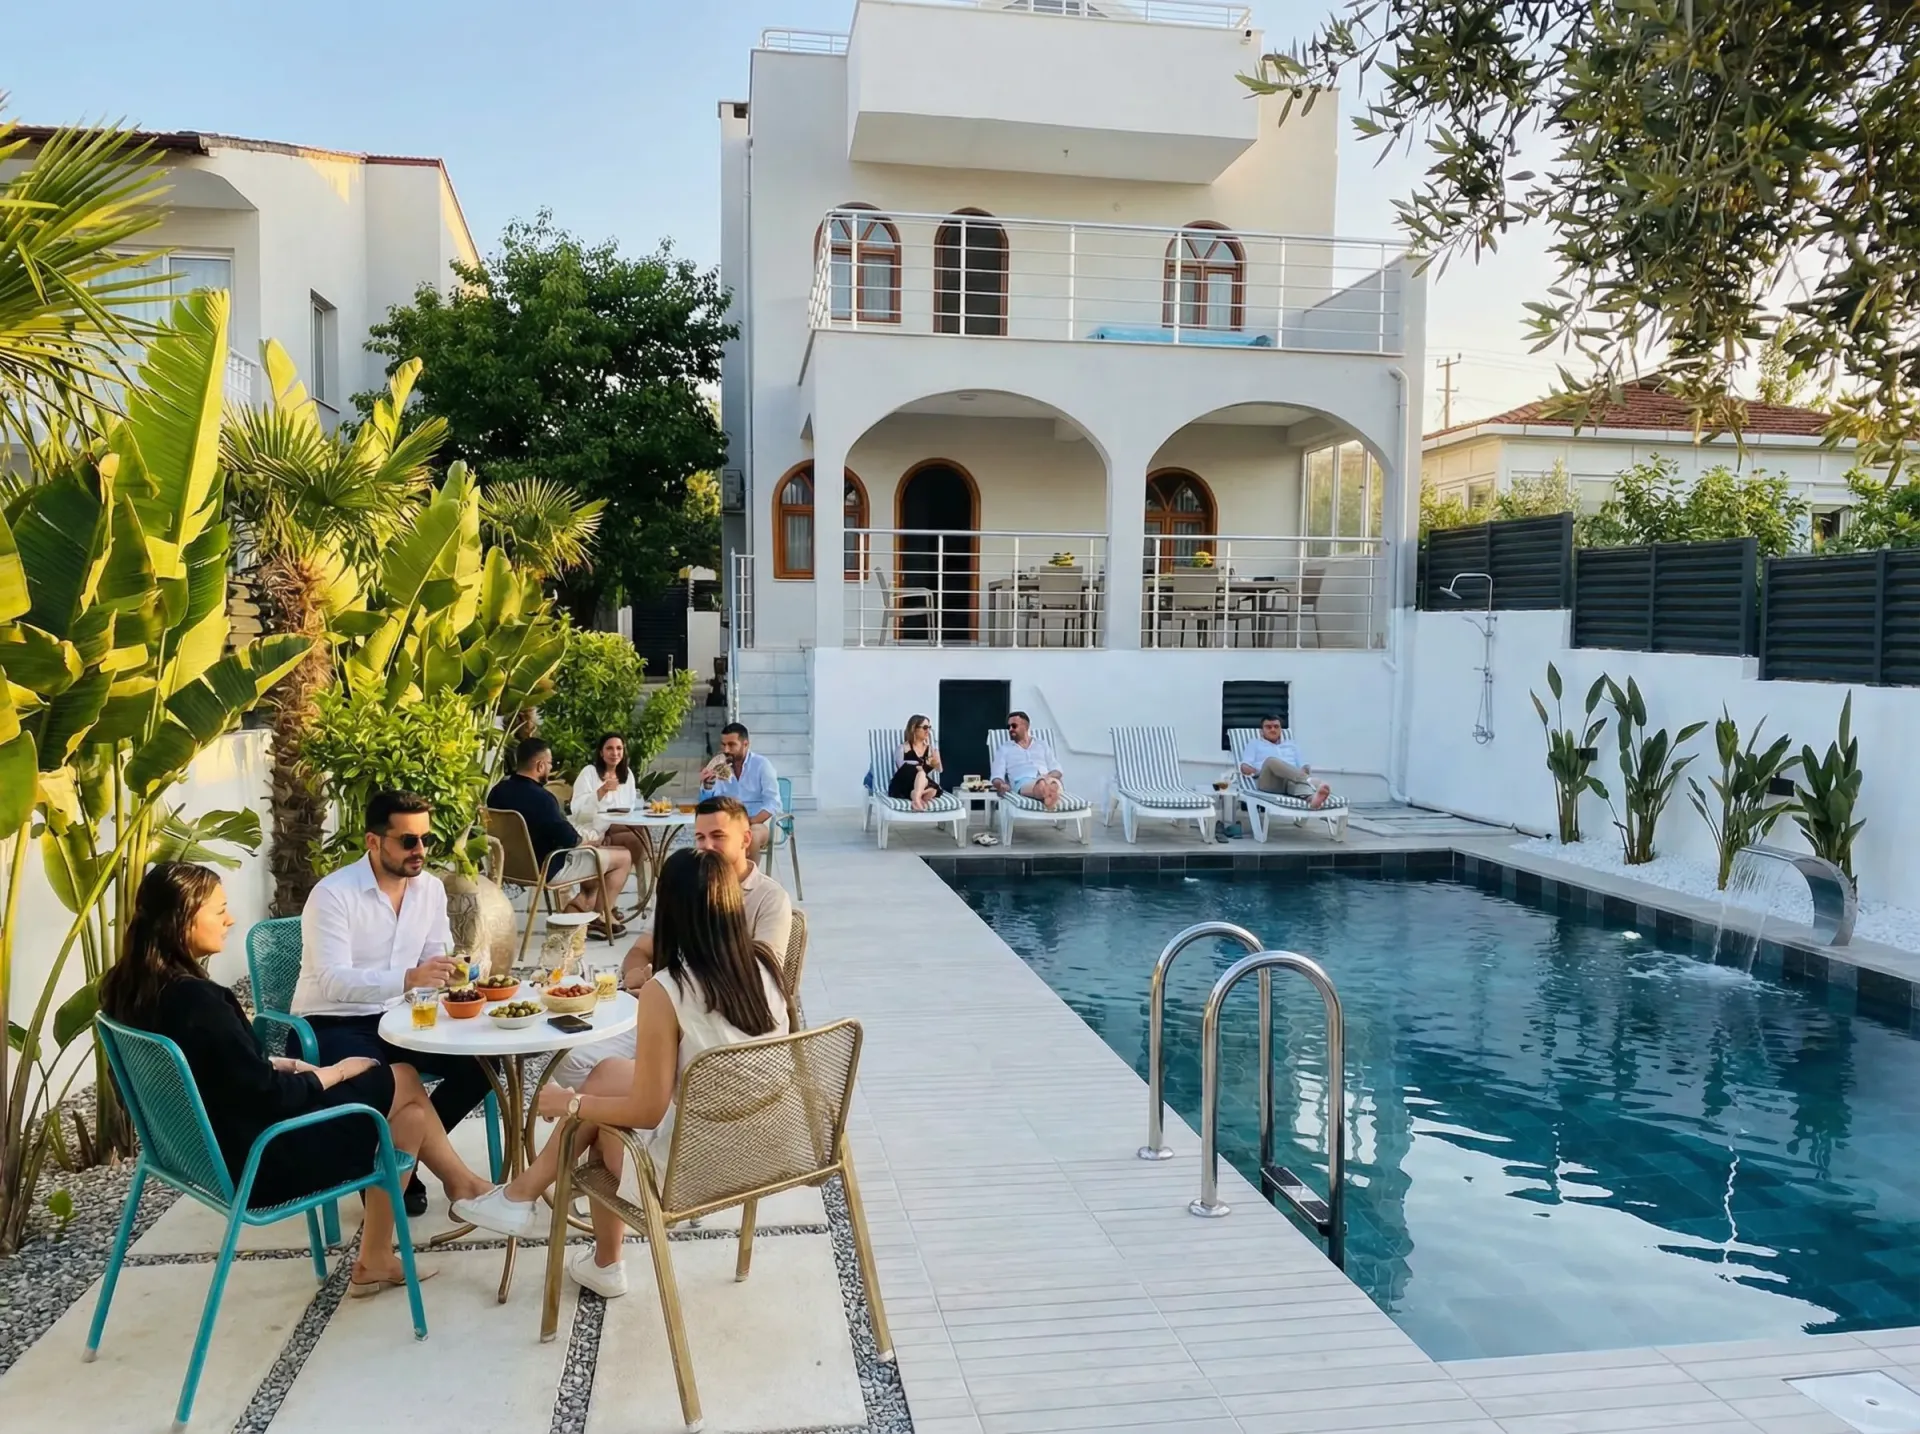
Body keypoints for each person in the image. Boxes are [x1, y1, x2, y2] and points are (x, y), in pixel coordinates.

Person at [101, 863, 493, 1296]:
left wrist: (278, 1062)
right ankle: (463, 1187)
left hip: (203, 1154)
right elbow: (272, 1098)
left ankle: (380, 1255)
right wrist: (335, 1072)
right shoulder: (199, 1000)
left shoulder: (126, 989)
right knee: (397, 1078)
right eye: (220, 910)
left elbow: (218, 1068)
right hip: (262, 1162)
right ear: (183, 918)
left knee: (413, 1117)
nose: (230, 919)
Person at [452, 848, 790, 1298]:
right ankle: (529, 1201)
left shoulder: (668, 988)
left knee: (596, 1121)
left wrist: (569, 1104)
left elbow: (648, 1111)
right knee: (609, 1072)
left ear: (667, 909)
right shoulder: (764, 967)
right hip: (765, 1149)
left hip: (695, 1169)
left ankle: (571, 1235)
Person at [293, 790, 497, 1217]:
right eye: (408, 841)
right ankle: (410, 1173)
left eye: (426, 840)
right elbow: (332, 980)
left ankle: (399, 1160)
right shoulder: (333, 895)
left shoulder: (430, 890)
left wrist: (454, 970)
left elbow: (432, 957)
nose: (420, 851)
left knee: (483, 1067)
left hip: (401, 1017)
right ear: (373, 841)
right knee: (387, 1079)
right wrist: (408, 978)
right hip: (333, 1022)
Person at [548, 795, 793, 1090]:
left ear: (745, 840)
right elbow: (642, 949)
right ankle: (622, 1113)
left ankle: (634, 1104)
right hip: (671, 1004)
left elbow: (755, 977)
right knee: (571, 1063)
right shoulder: (690, 887)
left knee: (601, 1086)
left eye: (718, 837)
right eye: (700, 838)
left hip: (719, 1021)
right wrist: (640, 977)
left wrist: (669, 990)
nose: (707, 847)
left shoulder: (769, 899)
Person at [488, 737, 634, 938]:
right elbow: (569, 840)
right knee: (623, 856)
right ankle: (599, 917)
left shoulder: (496, 792)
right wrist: (591, 843)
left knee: (604, 854)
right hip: (550, 867)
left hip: (511, 867)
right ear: (539, 765)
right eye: (549, 764)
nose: (550, 768)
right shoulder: (542, 799)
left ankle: (583, 908)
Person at [571, 732, 649, 914]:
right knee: (637, 838)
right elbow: (578, 812)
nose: (615, 753)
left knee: (639, 838)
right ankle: (608, 905)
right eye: (610, 748)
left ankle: (640, 898)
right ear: (601, 752)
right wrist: (601, 792)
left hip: (615, 826)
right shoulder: (589, 773)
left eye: (619, 748)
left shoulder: (627, 775)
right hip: (591, 826)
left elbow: (628, 807)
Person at [701, 721, 780, 857]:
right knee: (707, 838)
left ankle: (750, 878)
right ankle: (721, 877)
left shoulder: (762, 765)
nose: (726, 750)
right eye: (723, 744)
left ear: (745, 744)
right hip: (731, 821)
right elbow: (708, 804)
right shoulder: (720, 767)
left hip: (760, 822)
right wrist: (708, 785)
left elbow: (773, 803)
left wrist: (750, 821)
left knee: (751, 836)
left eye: (732, 745)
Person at [1239, 716, 1333, 809]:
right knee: (1271, 761)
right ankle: (1310, 781)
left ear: (1281, 730)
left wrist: (1301, 772)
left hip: (1291, 781)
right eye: (1268, 727)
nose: (1273, 729)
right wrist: (1258, 771)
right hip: (1269, 781)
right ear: (1261, 731)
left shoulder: (1292, 745)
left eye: (1276, 727)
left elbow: (1305, 766)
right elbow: (1244, 766)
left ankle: (1313, 800)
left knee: (1294, 781)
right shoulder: (1254, 744)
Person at [991, 710, 1065, 811]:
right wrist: (1001, 785)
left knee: (1051, 783)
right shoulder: (1004, 749)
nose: (1010, 729)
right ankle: (1049, 794)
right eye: (1008, 727)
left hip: (1048, 778)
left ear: (1025, 726)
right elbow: (996, 775)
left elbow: (1057, 769)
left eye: (1014, 726)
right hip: (1023, 782)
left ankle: (1048, 792)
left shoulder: (1042, 745)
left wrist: (1048, 777)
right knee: (1042, 784)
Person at [887, 715, 945, 812]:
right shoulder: (903, 748)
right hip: (903, 783)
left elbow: (940, 770)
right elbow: (904, 770)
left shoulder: (930, 750)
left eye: (929, 728)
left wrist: (937, 762)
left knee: (934, 789)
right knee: (919, 773)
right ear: (914, 728)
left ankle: (916, 796)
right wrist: (923, 767)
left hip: (919, 783)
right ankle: (918, 799)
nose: (928, 731)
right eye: (925, 727)